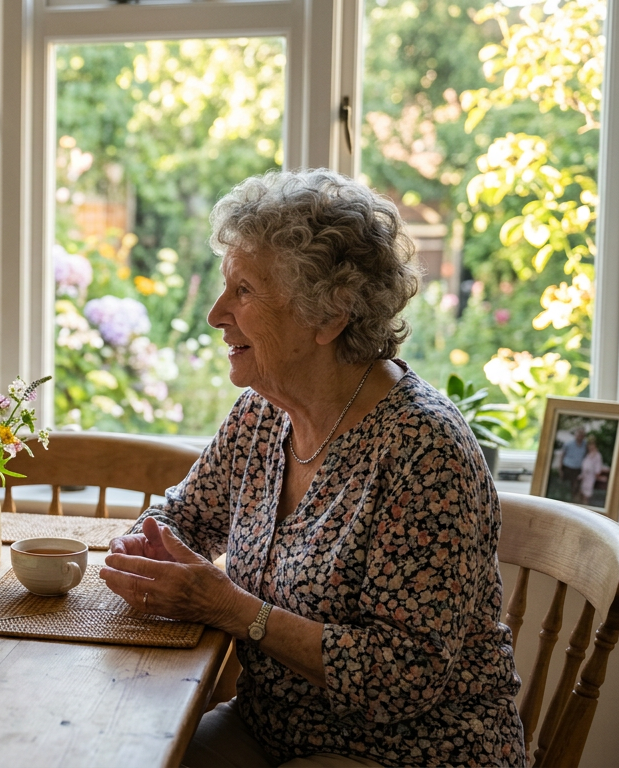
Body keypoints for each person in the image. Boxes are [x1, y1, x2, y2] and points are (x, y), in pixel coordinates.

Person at [101, 169, 525, 767]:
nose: (216, 313)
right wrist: (142, 546)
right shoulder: (262, 414)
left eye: (244, 290)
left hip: (406, 752)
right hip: (273, 731)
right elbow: (183, 515)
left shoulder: (425, 451)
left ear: (330, 315)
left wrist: (231, 607)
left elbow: (403, 678)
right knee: (119, 752)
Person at [560, 426, 589, 501]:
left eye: (582, 435)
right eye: (579, 434)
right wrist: (560, 468)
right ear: (575, 435)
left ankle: (573, 502)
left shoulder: (585, 444)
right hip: (568, 467)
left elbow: (586, 455)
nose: (580, 436)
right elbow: (562, 455)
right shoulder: (568, 444)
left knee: (575, 487)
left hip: (578, 469)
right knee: (565, 486)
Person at [578, 435, 605, 505]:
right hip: (584, 478)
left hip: (590, 478)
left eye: (592, 445)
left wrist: (598, 477)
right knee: (580, 496)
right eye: (589, 445)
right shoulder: (587, 454)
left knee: (586, 496)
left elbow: (597, 470)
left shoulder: (597, 456)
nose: (590, 446)